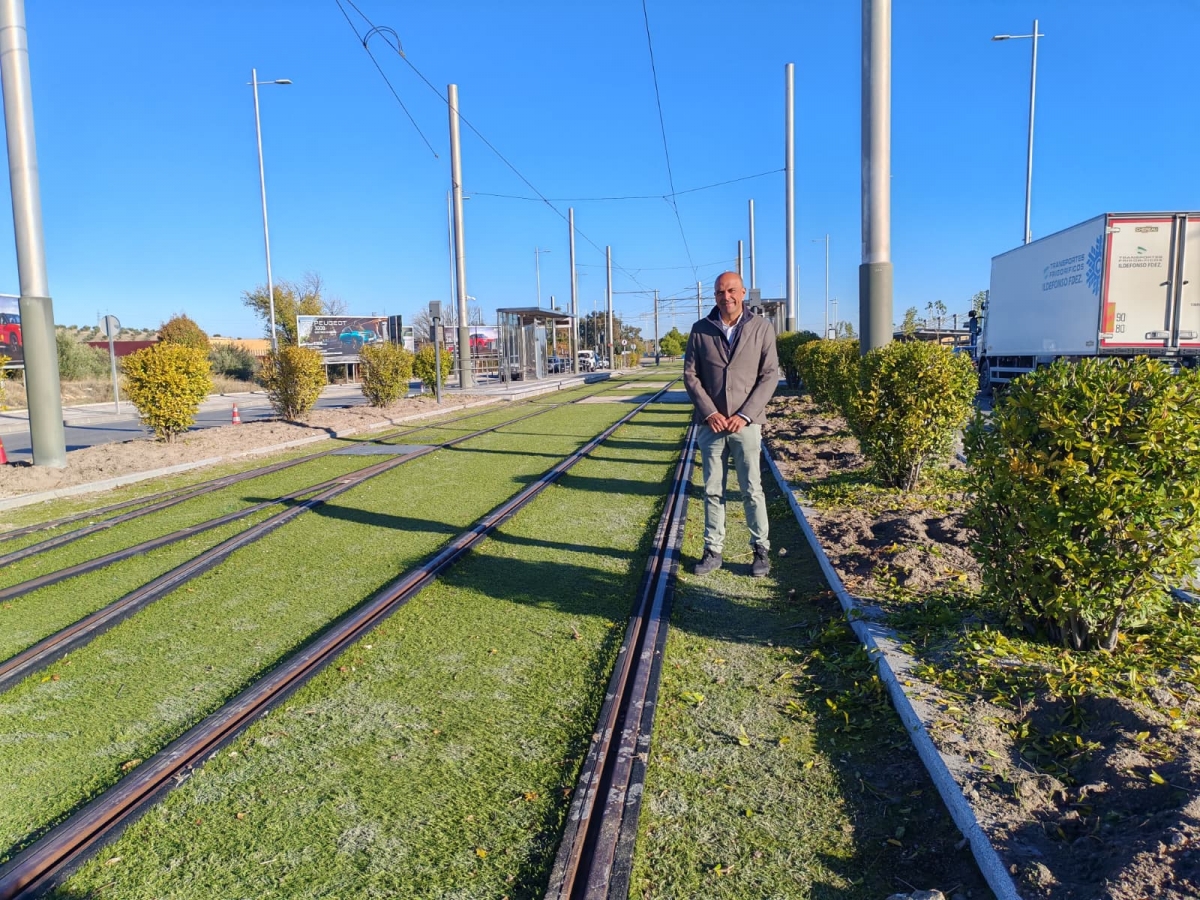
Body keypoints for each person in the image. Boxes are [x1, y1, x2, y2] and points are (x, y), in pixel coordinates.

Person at [683, 271, 780, 577]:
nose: (726, 297)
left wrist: (745, 415)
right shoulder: (700, 330)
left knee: (752, 488)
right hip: (710, 425)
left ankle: (760, 550)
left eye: (732, 291)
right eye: (720, 292)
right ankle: (713, 550)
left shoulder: (762, 328)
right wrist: (710, 413)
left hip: (746, 425)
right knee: (712, 489)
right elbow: (690, 375)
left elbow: (769, 375)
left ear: (743, 292)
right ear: (715, 296)